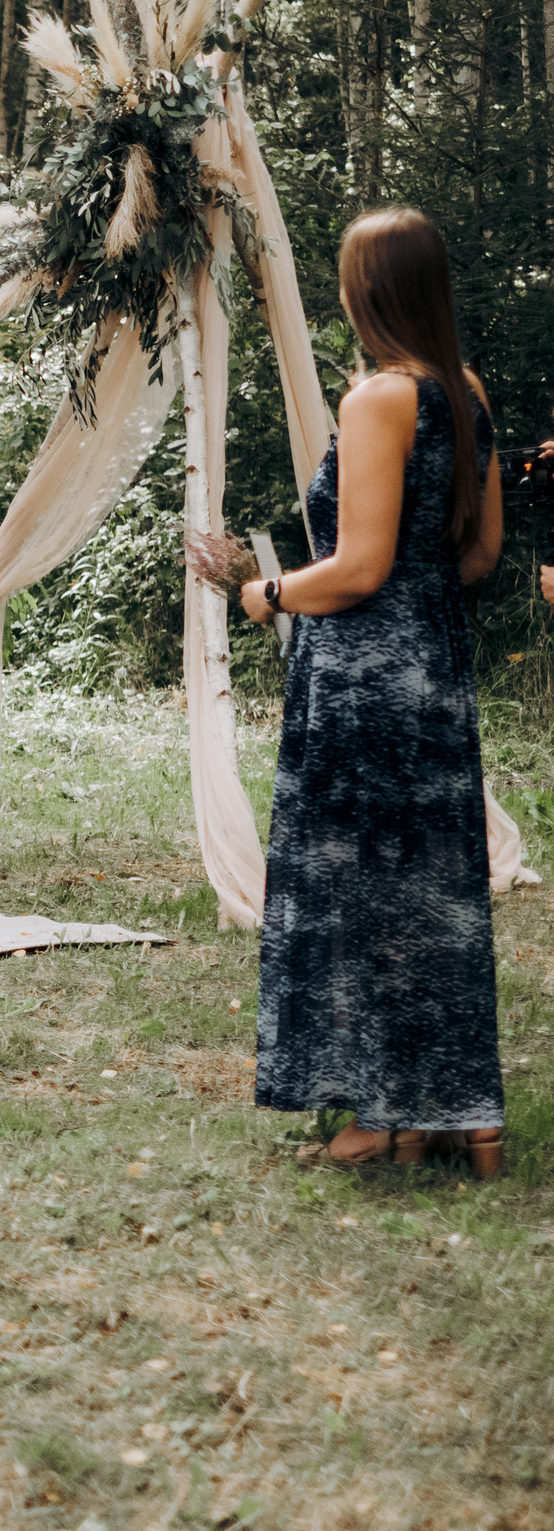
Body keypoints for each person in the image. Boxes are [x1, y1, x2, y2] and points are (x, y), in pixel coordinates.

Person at [240, 208, 505, 1176]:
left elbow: (354, 568)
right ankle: (458, 1112)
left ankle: (382, 1121)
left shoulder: (374, 401)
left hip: (362, 682)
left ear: (369, 292)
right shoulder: (466, 394)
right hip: (436, 673)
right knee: (434, 901)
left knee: (358, 899)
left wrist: (266, 592)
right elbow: (477, 556)